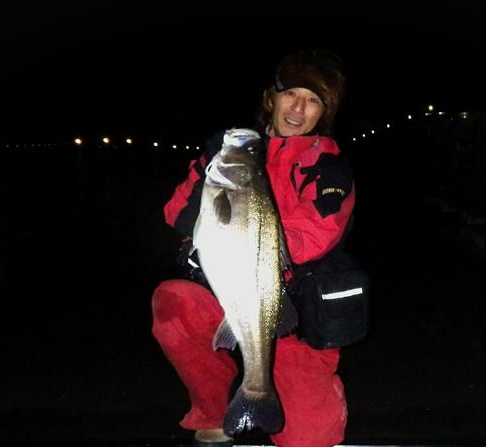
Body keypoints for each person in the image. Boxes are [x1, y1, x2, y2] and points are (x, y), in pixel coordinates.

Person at [151, 49, 355, 447]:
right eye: (291, 93)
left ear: (323, 113)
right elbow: (174, 214)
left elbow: (314, 236)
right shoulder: (226, 161)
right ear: (270, 99)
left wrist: (249, 224)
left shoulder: (330, 169)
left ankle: (259, 386)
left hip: (295, 319)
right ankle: (213, 409)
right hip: (229, 299)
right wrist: (210, 170)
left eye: (312, 100)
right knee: (173, 302)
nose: (298, 108)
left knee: (310, 438)